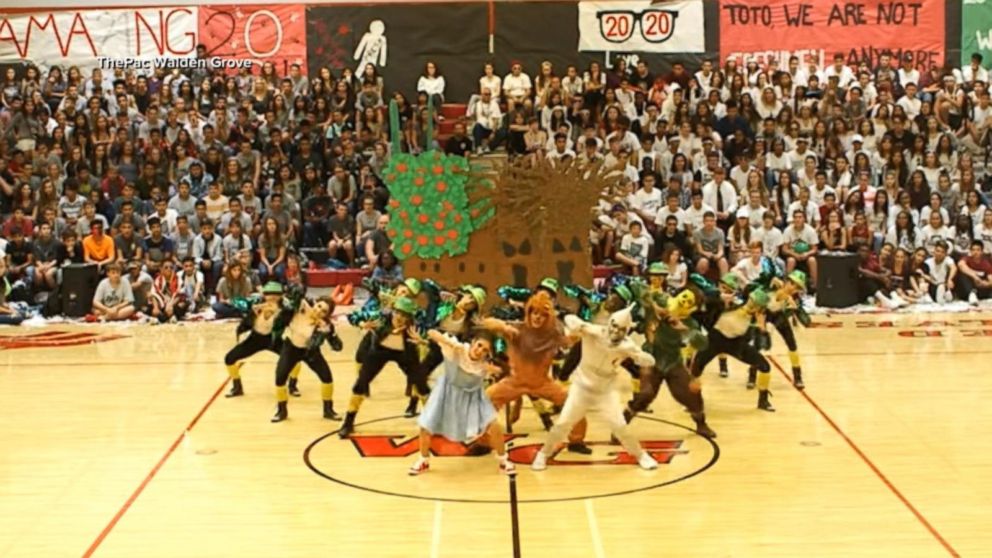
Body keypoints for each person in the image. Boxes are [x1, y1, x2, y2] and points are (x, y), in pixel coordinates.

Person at [532, 306, 658, 471]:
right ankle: (543, 454)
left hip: (605, 392)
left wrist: (639, 357)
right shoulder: (594, 331)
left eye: (622, 329)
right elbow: (570, 319)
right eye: (615, 326)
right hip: (581, 388)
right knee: (562, 424)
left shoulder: (628, 346)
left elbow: (650, 361)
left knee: (620, 427)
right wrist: (578, 325)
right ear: (609, 324)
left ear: (627, 330)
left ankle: (641, 455)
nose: (616, 332)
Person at [477, 290, 589, 454]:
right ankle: (483, 443)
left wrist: (578, 333)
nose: (537, 317)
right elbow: (489, 323)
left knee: (576, 405)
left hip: (542, 383)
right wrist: (502, 326)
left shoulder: (553, 335)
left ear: (547, 318)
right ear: (528, 313)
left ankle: (576, 442)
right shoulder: (517, 329)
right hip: (514, 382)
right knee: (484, 401)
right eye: (534, 313)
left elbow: (570, 340)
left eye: (542, 315)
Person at [408, 329, 515, 476]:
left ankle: (504, 461)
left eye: (485, 350)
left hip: (473, 396)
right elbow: (432, 332)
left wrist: (497, 371)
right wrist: (448, 342)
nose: (480, 351)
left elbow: (505, 372)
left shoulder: (485, 364)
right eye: (479, 345)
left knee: (494, 425)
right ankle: (423, 460)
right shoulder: (455, 349)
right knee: (425, 427)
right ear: (472, 343)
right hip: (447, 392)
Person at [626, 287, 716, 438]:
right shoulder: (661, 301)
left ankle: (701, 424)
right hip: (651, 358)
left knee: (691, 393)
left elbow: (703, 344)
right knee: (644, 396)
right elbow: (638, 287)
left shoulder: (689, 322)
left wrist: (684, 329)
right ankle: (621, 425)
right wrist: (655, 307)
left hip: (673, 361)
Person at [340, 297, 431, 438]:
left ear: (410, 317)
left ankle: (431, 420)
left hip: (405, 353)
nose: (400, 318)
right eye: (398, 313)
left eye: (405, 315)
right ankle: (348, 421)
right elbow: (352, 316)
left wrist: (423, 341)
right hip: (379, 352)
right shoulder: (380, 317)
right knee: (361, 383)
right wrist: (362, 323)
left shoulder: (416, 326)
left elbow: (432, 337)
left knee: (421, 384)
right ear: (393, 311)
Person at [690, 287, 775, 411]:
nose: (752, 305)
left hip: (735, 344)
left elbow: (765, 346)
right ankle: (694, 401)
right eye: (751, 301)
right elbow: (705, 299)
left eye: (756, 304)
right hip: (714, 339)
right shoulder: (731, 305)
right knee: (696, 368)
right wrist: (719, 295)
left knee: (765, 366)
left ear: (761, 308)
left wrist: (761, 328)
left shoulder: (757, 320)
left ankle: (763, 401)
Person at [271, 296, 344, 422]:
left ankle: (328, 410)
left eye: (324, 311)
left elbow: (338, 347)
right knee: (280, 378)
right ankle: (281, 411)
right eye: (319, 306)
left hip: (310, 352)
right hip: (291, 348)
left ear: (327, 315)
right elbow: (289, 297)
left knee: (327, 378)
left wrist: (329, 332)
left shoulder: (325, 326)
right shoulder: (300, 307)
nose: (319, 311)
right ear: (315, 303)